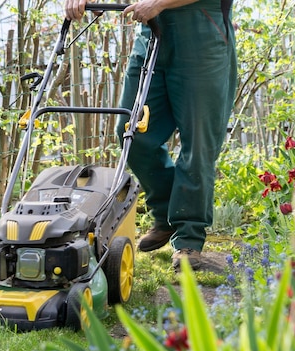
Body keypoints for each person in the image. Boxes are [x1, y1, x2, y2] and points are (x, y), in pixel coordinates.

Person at [65, 0, 237, 271]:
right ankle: (169, 214)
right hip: (151, 33)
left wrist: (160, 3)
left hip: (202, 31)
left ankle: (188, 238)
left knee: (198, 143)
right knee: (132, 132)